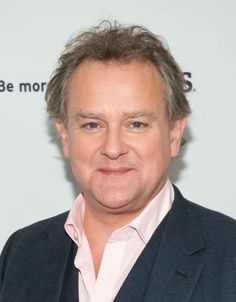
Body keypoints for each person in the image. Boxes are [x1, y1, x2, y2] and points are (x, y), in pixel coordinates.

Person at [0, 21, 236, 302]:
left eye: (136, 124)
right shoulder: (22, 253)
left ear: (174, 134)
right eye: (92, 125)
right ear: (65, 136)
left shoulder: (229, 253)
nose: (113, 148)